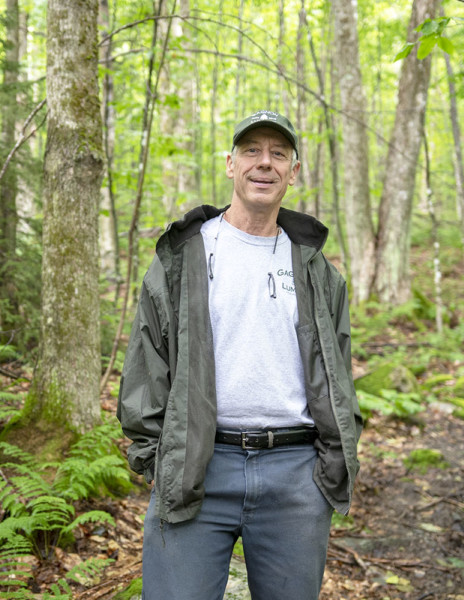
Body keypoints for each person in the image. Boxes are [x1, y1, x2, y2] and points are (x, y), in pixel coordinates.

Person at [117, 110, 362, 600]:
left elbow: (339, 370)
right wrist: (154, 458)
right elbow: (148, 361)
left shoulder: (318, 270)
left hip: (296, 475)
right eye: (252, 151)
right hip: (197, 467)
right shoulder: (181, 256)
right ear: (230, 164)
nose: (264, 163)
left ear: (293, 172)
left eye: (278, 154)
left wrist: (336, 457)